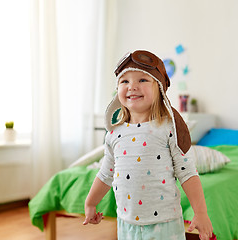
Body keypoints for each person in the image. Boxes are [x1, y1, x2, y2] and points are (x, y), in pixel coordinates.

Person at [83, 50, 213, 240]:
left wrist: (201, 213)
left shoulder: (168, 128)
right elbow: (105, 173)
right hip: (126, 224)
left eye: (142, 80)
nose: (132, 86)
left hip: (165, 224)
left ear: (158, 88)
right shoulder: (114, 134)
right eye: (124, 81)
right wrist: (90, 203)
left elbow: (187, 173)